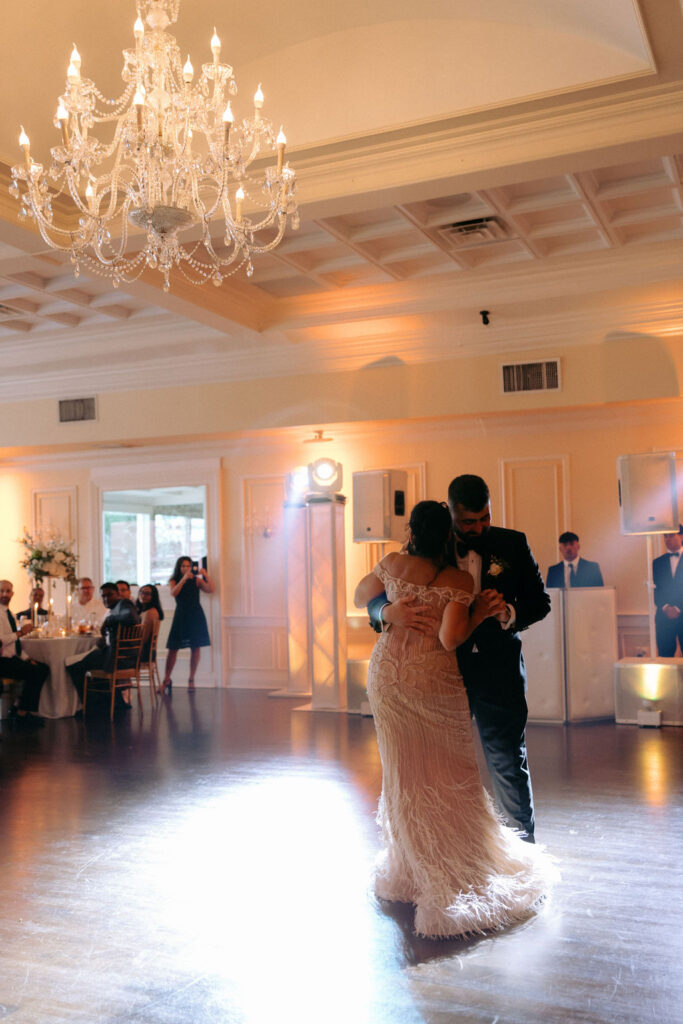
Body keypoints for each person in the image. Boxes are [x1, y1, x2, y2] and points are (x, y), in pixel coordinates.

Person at [356, 501, 555, 939]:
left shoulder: (391, 561)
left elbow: (359, 593)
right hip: (431, 677)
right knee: (450, 770)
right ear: (450, 531)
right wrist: (478, 612)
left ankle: (411, 866)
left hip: (387, 676)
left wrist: (392, 609)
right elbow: (449, 639)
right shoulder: (456, 579)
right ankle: (450, 863)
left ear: (412, 530)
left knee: (403, 773)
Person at [368, 474, 550, 842]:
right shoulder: (430, 546)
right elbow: (379, 591)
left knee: (507, 763)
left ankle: (524, 852)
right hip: (438, 676)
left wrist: (508, 613)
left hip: (497, 672)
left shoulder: (512, 543)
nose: (480, 527)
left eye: (485, 517)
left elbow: (540, 602)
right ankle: (448, 847)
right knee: (440, 766)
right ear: (451, 513)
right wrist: (386, 611)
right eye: (469, 521)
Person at [66, 582, 140, 712]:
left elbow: (132, 617)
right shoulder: (115, 608)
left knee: (74, 666)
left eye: (109, 595)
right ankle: (110, 701)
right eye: (103, 596)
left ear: (117, 594)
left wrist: (108, 621)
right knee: (88, 658)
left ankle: (89, 705)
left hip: (119, 659)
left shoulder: (124, 604)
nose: (106, 599)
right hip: (121, 657)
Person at [0, 579, 48, 728]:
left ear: (12, 594)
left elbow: (15, 646)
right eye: (1, 591)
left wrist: (27, 658)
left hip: (11, 658)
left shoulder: (10, 614)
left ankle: (19, 707)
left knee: (43, 668)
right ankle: (22, 713)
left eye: (8, 591)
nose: (4, 594)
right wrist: (21, 632)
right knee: (35, 672)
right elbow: (1, 641)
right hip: (2, 661)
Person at [160, 557, 213, 693]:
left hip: (195, 615)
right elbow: (174, 593)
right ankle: (166, 679)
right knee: (173, 648)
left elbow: (210, 589)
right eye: (183, 566)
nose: (185, 568)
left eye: (188, 566)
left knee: (195, 648)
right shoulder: (173, 580)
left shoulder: (196, 580)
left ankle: (191, 679)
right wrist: (183, 579)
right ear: (179, 567)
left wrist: (205, 575)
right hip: (181, 615)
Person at [652, 526, 683, 657]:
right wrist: (665, 607)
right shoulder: (657, 562)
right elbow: (656, 589)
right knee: (664, 658)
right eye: (665, 536)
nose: (667, 539)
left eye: (671, 535)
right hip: (663, 618)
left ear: (681, 536)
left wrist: (678, 608)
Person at [136, 584, 164, 665]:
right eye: (141, 592)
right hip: (142, 651)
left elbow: (144, 638)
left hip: (144, 653)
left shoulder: (150, 612)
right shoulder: (143, 611)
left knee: (115, 654)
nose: (143, 595)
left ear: (153, 596)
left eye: (147, 593)